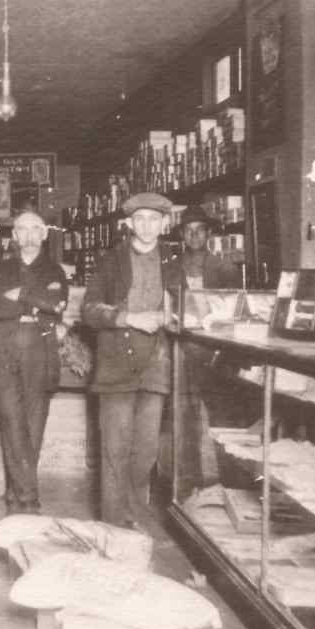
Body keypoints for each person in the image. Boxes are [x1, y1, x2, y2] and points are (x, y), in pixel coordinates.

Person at [83, 191, 186, 531]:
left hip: (155, 365)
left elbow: (186, 307)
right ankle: (114, 528)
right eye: (139, 219)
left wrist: (173, 317)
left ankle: (133, 515)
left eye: (154, 219)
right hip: (116, 365)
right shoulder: (109, 261)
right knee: (114, 451)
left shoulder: (173, 260)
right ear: (128, 223)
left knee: (145, 454)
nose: (147, 226)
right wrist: (130, 318)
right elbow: (89, 310)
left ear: (164, 224)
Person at [0, 210, 69, 515]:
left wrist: (21, 295)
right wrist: (36, 301)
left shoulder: (55, 271)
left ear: (45, 234)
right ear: (14, 235)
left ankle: (15, 495)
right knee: (12, 424)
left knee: (34, 427)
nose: (29, 235)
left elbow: (56, 307)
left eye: (35, 229)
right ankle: (29, 500)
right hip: (3, 353)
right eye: (22, 229)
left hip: (39, 354)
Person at [174, 205, 240, 497]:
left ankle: (231, 482)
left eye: (199, 230)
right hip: (183, 350)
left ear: (209, 234)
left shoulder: (224, 268)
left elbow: (237, 310)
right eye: (188, 230)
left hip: (215, 351)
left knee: (223, 419)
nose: (194, 235)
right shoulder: (172, 268)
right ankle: (189, 484)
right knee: (185, 420)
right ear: (181, 235)